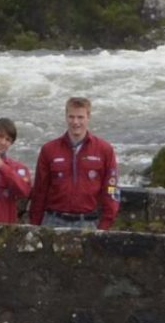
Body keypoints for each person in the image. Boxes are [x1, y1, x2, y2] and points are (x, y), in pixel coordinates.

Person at [31, 95, 120, 230]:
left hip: (89, 223)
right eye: (71, 117)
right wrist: (35, 225)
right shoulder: (49, 150)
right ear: (66, 117)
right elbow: (40, 190)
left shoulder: (105, 150)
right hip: (53, 221)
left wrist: (105, 225)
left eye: (80, 117)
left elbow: (111, 189)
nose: (75, 122)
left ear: (88, 117)